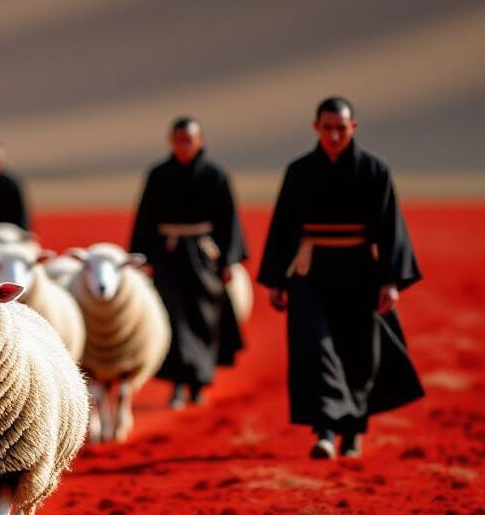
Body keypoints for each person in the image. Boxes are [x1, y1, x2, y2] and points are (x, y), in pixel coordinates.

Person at [257, 97, 423, 459]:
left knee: (359, 353)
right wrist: (276, 281)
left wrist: (391, 281)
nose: (334, 135)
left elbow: (391, 228)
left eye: (341, 129)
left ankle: (353, 431)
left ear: (353, 128)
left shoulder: (374, 171)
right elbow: (284, 227)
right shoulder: (299, 171)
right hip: (310, 271)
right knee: (315, 348)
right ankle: (326, 431)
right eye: (327, 128)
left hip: (359, 270)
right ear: (316, 127)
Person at [129, 117, 247, 409]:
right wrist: (142, 256)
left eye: (188, 141)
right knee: (173, 317)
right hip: (167, 255)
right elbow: (145, 216)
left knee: (205, 316)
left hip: (204, 257)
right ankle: (179, 385)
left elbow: (229, 220)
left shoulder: (215, 175)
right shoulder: (158, 174)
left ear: (199, 141)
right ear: (172, 142)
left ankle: (199, 381)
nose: (183, 146)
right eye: (178, 140)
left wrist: (230, 260)